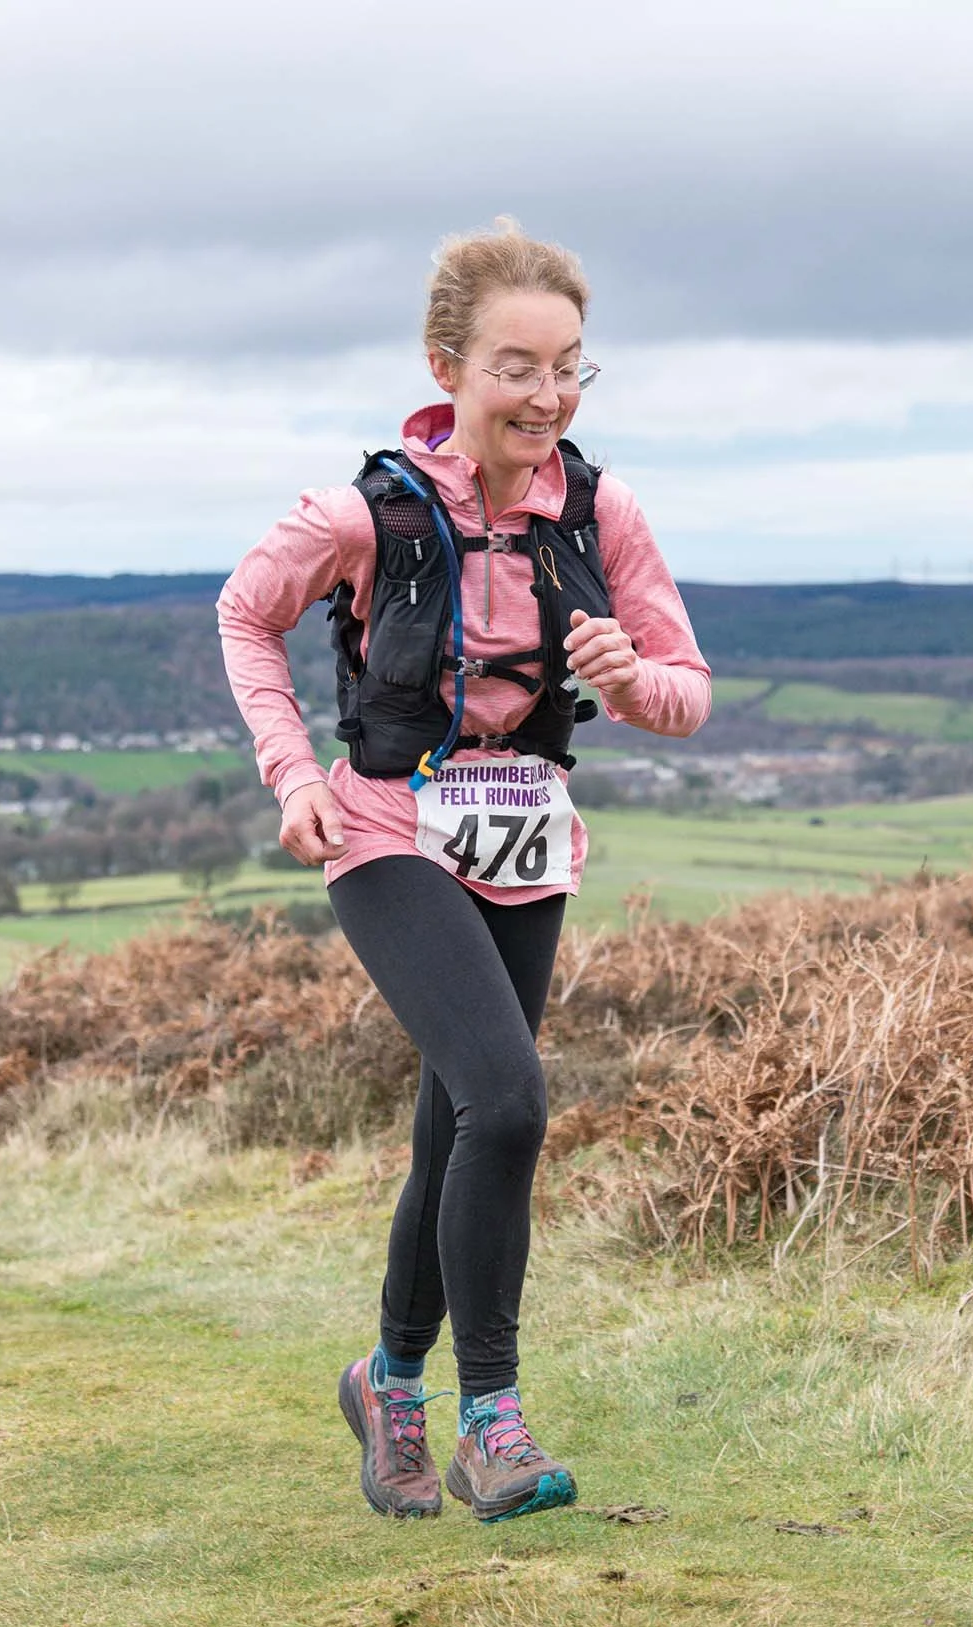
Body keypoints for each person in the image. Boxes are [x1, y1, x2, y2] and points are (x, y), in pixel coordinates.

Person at [216, 220, 711, 1523]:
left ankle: (388, 1384)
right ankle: (490, 1416)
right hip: (386, 834)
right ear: (449, 365)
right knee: (512, 1101)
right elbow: (242, 612)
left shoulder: (606, 512)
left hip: (527, 838)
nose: (546, 396)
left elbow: (686, 694)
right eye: (516, 366)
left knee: (459, 1130)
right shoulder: (365, 512)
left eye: (569, 369)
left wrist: (626, 677)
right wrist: (289, 775)